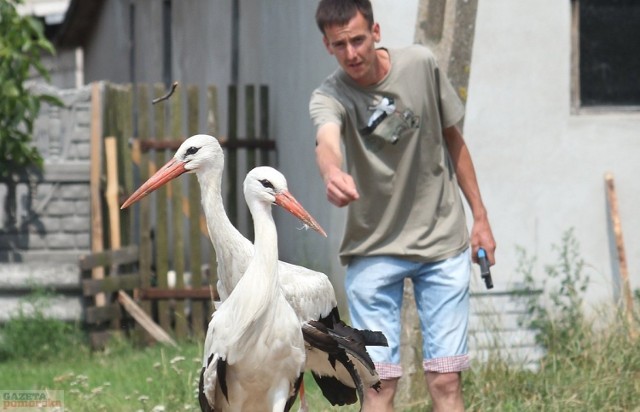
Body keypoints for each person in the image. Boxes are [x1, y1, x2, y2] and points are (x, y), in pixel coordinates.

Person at [309, 1, 496, 411]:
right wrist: (332, 173)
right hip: (373, 249)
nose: (352, 53)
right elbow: (327, 139)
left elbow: (454, 140)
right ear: (328, 46)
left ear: (376, 32)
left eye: (358, 40)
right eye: (340, 45)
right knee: (379, 385)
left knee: (445, 380)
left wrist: (480, 218)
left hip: (442, 240)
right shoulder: (330, 95)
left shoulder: (420, 65)